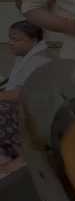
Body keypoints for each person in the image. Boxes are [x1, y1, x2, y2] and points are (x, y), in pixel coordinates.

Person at [0, 21, 51, 175]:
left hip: (35, 111)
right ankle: (6, 156)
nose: (11, 43)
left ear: (34, 41)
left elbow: (21, 94)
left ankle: (19, 156)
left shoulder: (39, 60)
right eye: (10, 38)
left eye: (16, 39)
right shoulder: (24, 58)